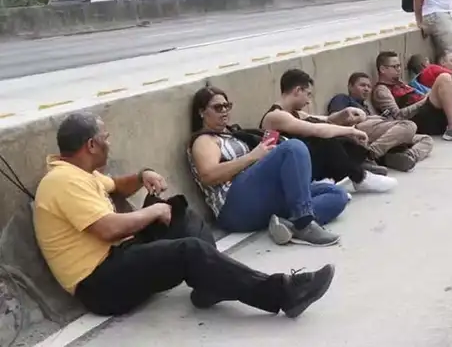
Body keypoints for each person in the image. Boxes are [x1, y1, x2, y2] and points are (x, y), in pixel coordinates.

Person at [33, 111, 334, 318]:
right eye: (106, 137)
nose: (109, 143)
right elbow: (108, 229)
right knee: (187, 249)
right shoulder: (63, 182)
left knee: (177, 209)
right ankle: (281, 294)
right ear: (91, 145)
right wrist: (152, 211)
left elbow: (115, 186)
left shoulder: (80, 173)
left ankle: (212, 282)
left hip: (116, 258)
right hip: (100, 284)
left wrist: (142, 175)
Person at [188, 86, 345, 247]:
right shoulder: (204, 141)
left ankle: (287, 224)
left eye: (227, 106)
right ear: (201, 112)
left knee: (337, 194)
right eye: (217, 107)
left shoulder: (231, 133)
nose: (224, 111)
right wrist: (253, 156)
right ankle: (304, 222)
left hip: (258, 200)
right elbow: (208, 176)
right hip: (233, 206)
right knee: (293, 148)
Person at [261, 68, 398, 193]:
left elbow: (326, 120)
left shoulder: (294, 113)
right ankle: (360, 178)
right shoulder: (276, 116)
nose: (308, 101)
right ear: (297, 91)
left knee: (348, 143)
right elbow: (317, 129)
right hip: (287, 171)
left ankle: (333, 180)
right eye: (308, 94)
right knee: (324, 140)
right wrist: (352, 131)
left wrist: (344, 113)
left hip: (304, 166)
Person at [371, 50, 452, 143]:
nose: (399, 69)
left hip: (427, 110)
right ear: (383, 69)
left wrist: (427, 96)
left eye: (399, 66)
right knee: (444, 78)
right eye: (395, 67)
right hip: (418, 120)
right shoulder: (382, 90)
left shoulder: (399, 83)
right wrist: (425, 100)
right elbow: (397, 117)